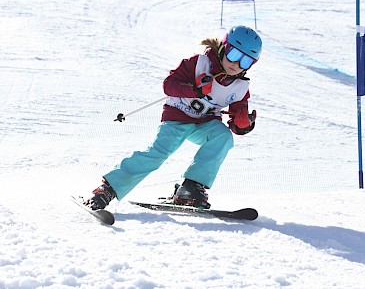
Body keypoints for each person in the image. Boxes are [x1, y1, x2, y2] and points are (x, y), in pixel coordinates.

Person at [84, 25, 262, 210]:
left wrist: (243, 125)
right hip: (177, 117)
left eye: (245, 61)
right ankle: (108, 189)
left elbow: (236, 118)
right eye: (233, 55)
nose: (236, 64)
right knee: (158, 154)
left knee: (223, 137)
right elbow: (169, 85)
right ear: (224, 48)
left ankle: (191, 188)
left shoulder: (240, 87)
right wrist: (194, 89)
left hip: (205, 123)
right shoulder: (198, 63)